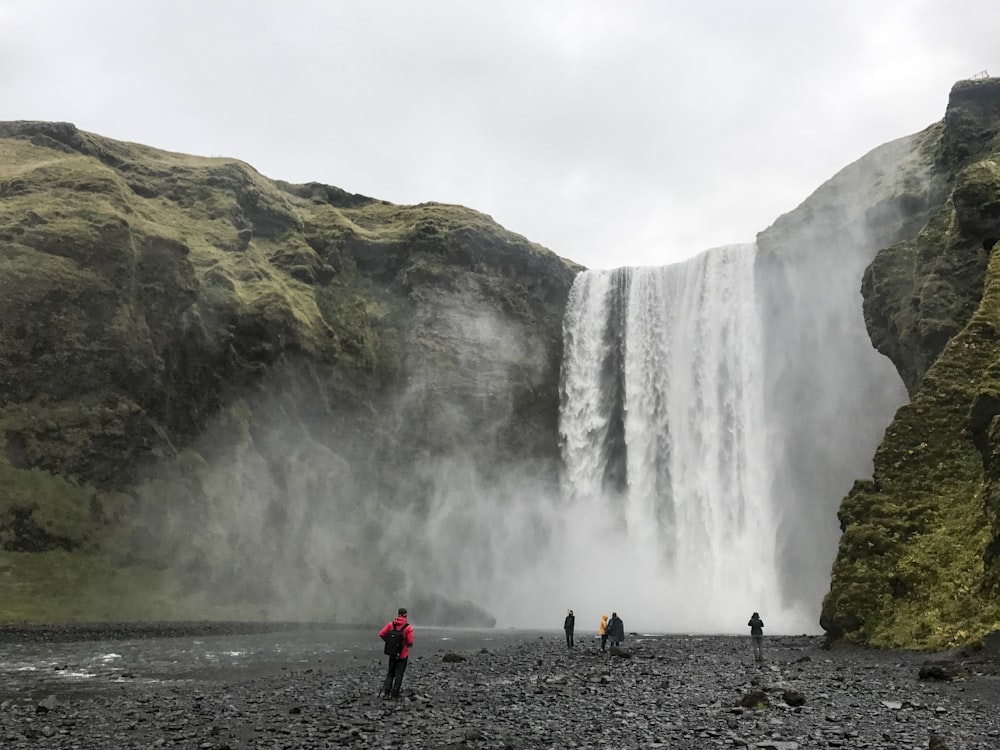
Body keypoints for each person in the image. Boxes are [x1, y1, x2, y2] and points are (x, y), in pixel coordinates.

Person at [379, 607, 415, 700]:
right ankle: (395, 694)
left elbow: (382, 633)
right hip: (403, 654)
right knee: (399, 674)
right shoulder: (408, 627)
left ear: (398, 614)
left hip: (392, 653)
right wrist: (407, 644)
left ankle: (387, 693)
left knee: (390, 672)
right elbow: (410, 641)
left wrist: (389, 642)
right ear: (406, 615)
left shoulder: (391, 624)